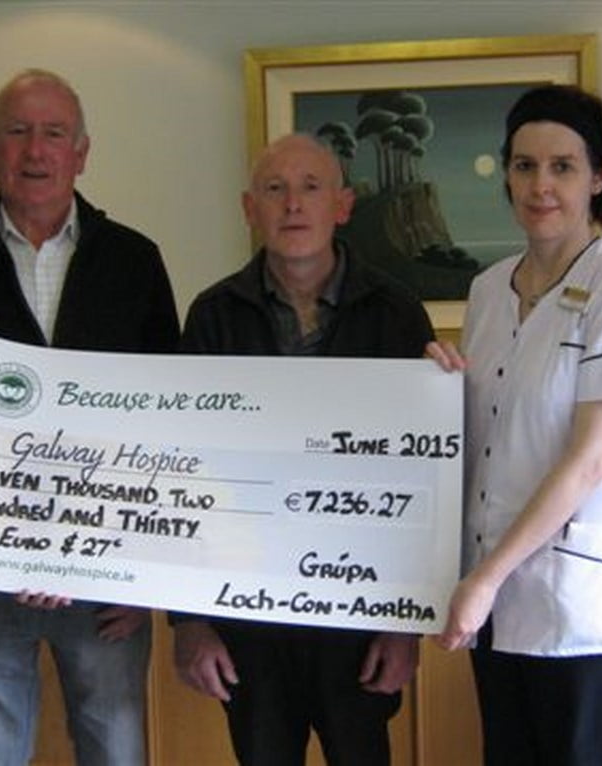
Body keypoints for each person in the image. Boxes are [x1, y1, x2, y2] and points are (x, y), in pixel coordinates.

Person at [0, 69, 179, 766]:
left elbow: (168, 424)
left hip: (106, 582)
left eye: (54, 133)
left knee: (116, 750)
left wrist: (146, 576)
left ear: (81, 152)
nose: (36, 150)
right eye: (18, 132)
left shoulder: (134, 261)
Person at [427, 84, 602, 765]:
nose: (540, 185)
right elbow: (491, 432)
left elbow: (591, 460)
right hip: (499, 611)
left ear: (601, 175)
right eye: (524, 165)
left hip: (574, 606)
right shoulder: (487, 289)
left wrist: (484, 580)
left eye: (562, 166)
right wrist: (437, 385)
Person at [173, 133, 433, 765]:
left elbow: (423, 479)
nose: (293, 204)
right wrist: (189, 624)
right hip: (247, 621)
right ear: (248, 208)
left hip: (360, 617)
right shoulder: (212, 317)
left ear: (342, 205)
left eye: (311, 187)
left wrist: (406, 624)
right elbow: (183, 469)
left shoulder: (396, 315)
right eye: (274, 189)